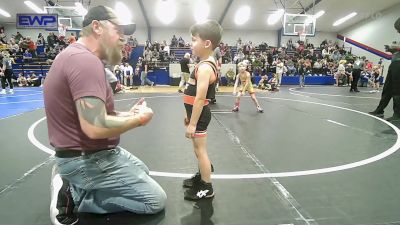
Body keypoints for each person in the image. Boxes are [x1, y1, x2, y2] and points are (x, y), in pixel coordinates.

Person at [43, 6, 166, 225]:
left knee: (144, 172)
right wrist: (139, 119)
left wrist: (126, 113)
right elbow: (94, 127)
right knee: (154, 201)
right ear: (97, 27)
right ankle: (75, 194)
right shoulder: (85, 61)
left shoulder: (78, 57)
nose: (124, 38)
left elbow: (91, 114)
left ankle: (75, 182)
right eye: (118, 30)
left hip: (92, 153)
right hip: (86, 158)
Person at [182, 20, 222, 201]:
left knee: (201, 151)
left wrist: (192, 123)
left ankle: (207, 186)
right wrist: (188, 115)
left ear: (207, 44)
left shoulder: (206, 67)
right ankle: (202, 175)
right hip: (195, 115)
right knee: (197, 150)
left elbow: (200, 98)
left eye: (193, 40)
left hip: (199, 117)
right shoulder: (203, 63)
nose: (191, 44)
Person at [369, 17, 400, 121]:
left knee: (397, 90)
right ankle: (380, 109)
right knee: (387, 89)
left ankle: (398, 114)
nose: (397, 31)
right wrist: (393, 50)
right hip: (395, 63)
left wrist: (397, 48)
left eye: (398, 28)